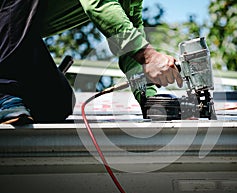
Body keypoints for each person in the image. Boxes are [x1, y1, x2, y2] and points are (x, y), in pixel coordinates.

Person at [0, 0, 183, 125]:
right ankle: (4, 92)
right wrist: (148, 55)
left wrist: (149, 98)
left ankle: (11, 93)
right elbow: (100, 4)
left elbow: (130, 43)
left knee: (56, 104)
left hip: (13, 40)